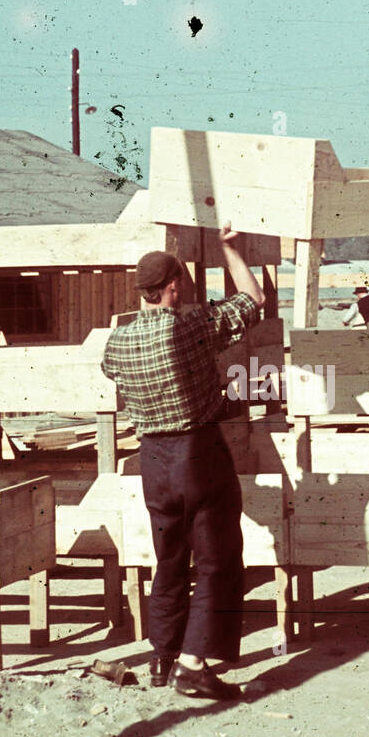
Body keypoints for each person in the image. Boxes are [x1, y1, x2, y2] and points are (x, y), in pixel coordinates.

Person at [100, 225, 264, 701]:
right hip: (198, 453)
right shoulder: (191, 326)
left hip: (152, 461)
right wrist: (229, 249)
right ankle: (193, 666)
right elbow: (253, 300)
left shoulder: (119, 343)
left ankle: (163, 657)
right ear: (173, 286)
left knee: (168, 560)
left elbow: (109, 368)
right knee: (217, 561)